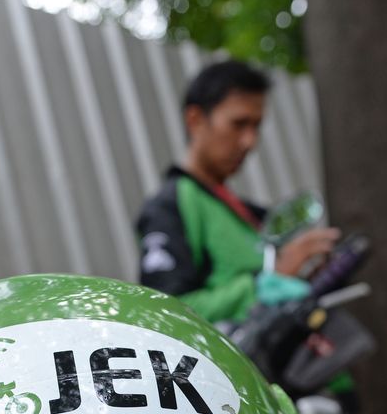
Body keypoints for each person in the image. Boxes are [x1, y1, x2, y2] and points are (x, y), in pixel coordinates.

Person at [136, 59, 340, 324]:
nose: (250, 141)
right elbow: (165, 315)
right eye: (239, 124)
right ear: (195, 120)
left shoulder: (249, 213)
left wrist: (306, 278)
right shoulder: (169, 206)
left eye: (256, 126)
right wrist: (266, 283)